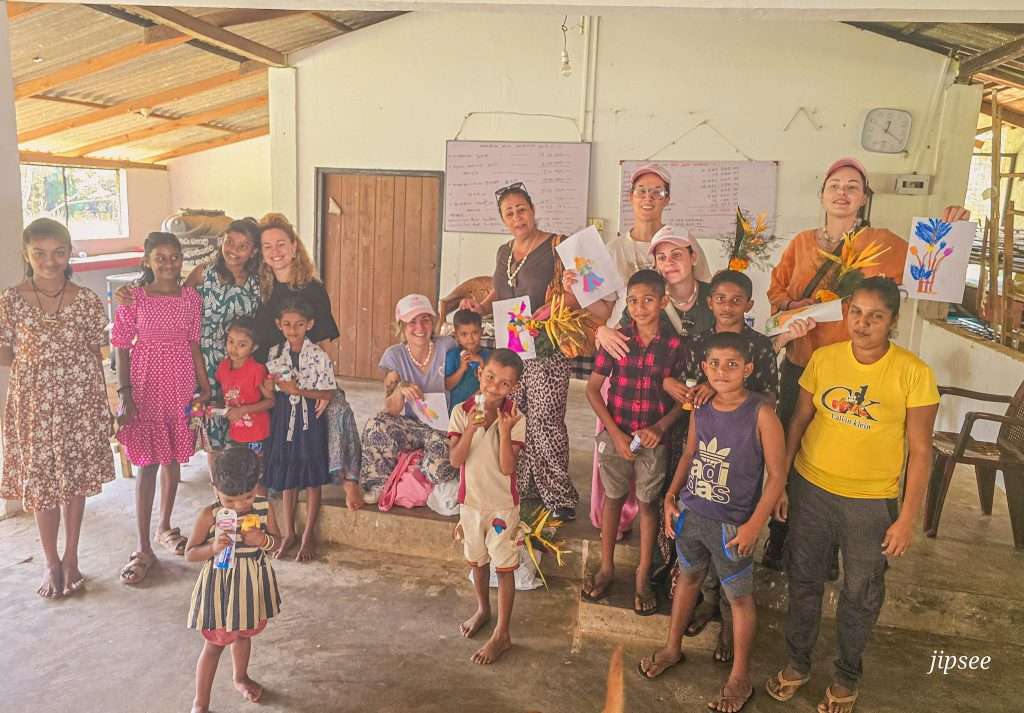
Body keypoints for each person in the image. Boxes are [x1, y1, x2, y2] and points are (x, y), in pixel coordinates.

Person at [763, 156, 968, 570]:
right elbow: (776, 293)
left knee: (840, 454)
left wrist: (952, 229)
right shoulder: (802, 243)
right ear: (822, 194)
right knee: (791, 445)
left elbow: (928, 266)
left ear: (863, 198)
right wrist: (797, 306)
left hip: (856, 370)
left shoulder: (884, 242)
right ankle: (781, 536)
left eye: (852, 186)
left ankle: (831, 547)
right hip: (804, 364)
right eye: (834, 184)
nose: (842, 192)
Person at [764, 277, 939, 713]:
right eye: (856, 313)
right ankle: (798, 662)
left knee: (860, 591)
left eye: (875, 316)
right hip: (811, 490)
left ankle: (846, 676)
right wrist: (782, 482)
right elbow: (798, 422)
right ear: (846, 314)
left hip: (870, 503)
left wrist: (906, 518)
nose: (863, 324)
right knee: (804, 579)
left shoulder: (913, 373)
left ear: (892, 321)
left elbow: (920, 453)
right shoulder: (824, 360)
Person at [663, 268, 811, 660]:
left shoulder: (759, 349)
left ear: (748, 305)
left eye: (736, 299)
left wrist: (756, 520)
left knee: (734, 577)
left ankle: (730, 634)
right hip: (702, 465)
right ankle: (706, 612)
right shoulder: (697, 343)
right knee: (699, 567)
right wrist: (690, 392)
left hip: (742, 458)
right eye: (720, 298)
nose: (727, 306)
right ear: (709, 301)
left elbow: (769, 400)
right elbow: (680, 388)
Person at [640, 332, 786, 713]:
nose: (723, 371)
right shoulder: (701, 408)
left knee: (738, 598)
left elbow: (777, 476)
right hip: (692, 516)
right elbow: (690, 452)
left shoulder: (761, 413)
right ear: (704, 368)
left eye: (732, 364)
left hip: (732, 525)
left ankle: (740, 675)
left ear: (748, 369)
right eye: (715, 364)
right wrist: (671, 496)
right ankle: (673, 647)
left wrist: (755, 524)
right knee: (687, 579)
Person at [461, 182, 612, 520]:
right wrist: (480, 306)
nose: (517, 217)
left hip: (547, 346)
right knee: (518, 418)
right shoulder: (503, 252)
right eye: (509, 213)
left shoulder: (558, 245)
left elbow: (587, 290)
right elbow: (499, 295)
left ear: (533, 209)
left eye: (521, 209)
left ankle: (559, 497)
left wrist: (557, 302)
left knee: (547, 421)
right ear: (503, 219)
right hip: (512, 347)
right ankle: (526, 488)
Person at [0, 218, 115, 598]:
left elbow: (96, 351)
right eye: (40, 253)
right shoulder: (10, 301)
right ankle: (50, 561)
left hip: (78, 401)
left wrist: (101, 405)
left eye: (59, 253)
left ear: (69, 255)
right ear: (26, 254)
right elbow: (5, 354)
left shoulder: (85, 300)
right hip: (33, 403)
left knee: (73, 479)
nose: (50, 261)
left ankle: (71, 557)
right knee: (42, 483)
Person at [115, 219, 263, 472]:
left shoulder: (258, 282)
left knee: (241, 420)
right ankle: (219, 487)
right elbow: (173, 301)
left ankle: (242, 483)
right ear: (221, 242)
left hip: (238, 360)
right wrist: (132, 291)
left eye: (243, 245)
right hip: (200, 359)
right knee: (210, 425)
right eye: (229, 242)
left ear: (254, 251)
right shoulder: (204, 272)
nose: (234, 250)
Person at [582, 270, 683, 615]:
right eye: (634, 301)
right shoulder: (616, 340)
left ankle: (642, 575)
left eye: (649, 300)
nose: (640, 308)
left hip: (653, 441)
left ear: (664, 302)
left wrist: (660, 427)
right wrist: (614, 432)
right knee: (612, 498)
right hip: (616, 435)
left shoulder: (674, 345)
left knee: (648, 503)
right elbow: (594, 390)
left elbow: (683, 399)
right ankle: (607, 566)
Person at [113, 232, 210, 585]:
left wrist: (205, 385)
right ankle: (142, 546)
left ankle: (165, 527)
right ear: (148, 260)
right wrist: (125, 393)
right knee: (147, 464)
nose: (169, 263)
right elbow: (122, 346)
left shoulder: (191, 298)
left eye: (175, 256)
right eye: (161, 257)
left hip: (180, 383)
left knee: (171, 458)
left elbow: (194, 344)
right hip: (145, 383)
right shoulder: (133, 298)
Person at [253, 213, 362, 510]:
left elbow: (324, 341)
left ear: (294, 246)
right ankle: (269, 478)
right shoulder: (258, 286)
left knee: (337, 406)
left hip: (310, 370)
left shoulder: (312, 288)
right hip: (268, 371)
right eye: (267, 246)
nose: (275, 252)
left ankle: (348, 478)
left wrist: (326, 385)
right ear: (260, 252)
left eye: (281, 244)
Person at [185, 446, 281, 713]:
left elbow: (278, 544)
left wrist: (263, 540)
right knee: (214, 645)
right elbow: (190, 553)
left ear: (256, 486)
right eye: (229, 500)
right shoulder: (210, 515)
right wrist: (213, 548)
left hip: (249, 587)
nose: (239, 506)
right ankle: (200, 703)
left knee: (243, 635)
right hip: (221, 589)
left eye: (248, 497)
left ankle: (240, 677)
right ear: (215, 487)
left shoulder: (264, 508)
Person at [449, 349, 526, 665]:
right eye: (490, 377)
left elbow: (508, 468)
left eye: (505, 384)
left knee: (504, 567)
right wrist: (470, 427)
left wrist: (505, 432)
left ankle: (503, 633)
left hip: (502, 509)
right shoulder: (460, 411)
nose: (495, 387)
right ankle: (483, 608)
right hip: (471, 505)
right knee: (476, 562)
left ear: (513, 388)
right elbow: (456, 460)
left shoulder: (515, 417)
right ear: (480, 374)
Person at [359, 294, 459, 499]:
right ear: (401, 326)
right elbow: (391, 409)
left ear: (433, 323)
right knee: (375, 425)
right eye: (412, 322)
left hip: (443, 428)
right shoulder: (394, 356)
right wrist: (400, 390)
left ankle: (415, 472)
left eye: (425, 320)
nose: (420, 327)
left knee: (439, 469)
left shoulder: (447, 346)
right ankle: (379, 485)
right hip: (412, 426)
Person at [262, 299, 337, 561]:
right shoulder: (274, 353)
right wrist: (269, 387)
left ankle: (307, 536)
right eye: (287, 324)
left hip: (310, 421)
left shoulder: (318, 355)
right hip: (283, 417)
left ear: (310, 325)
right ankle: (289, 533)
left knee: (312, 477)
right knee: (288, 476)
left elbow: (328, 391)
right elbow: (269, 385)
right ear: (279, 325)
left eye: (299, 325)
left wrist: (299, 391)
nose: (293, 330)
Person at [214, 317, 273, 455]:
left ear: (254, 347)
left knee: (256, 469)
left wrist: (243, 410)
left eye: (242, 345)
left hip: (257, 432)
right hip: (236, 432)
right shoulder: (223, 367)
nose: (234, 348)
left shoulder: (257, 370)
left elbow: (271, 401)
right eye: (231, 341)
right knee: (239, 468)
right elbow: (224, 394)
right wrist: (216, 406)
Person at [444, 309, 490, 414]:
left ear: (482, 332)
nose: (470, 338)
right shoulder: (452, 355)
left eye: (474, 332)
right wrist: (461, 369)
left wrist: (481, 362)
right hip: (456, 411)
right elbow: (447, 386)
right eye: (464, 334)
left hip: (480, 409)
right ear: (456, 336)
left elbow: (490, 383)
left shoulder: (489, 356)